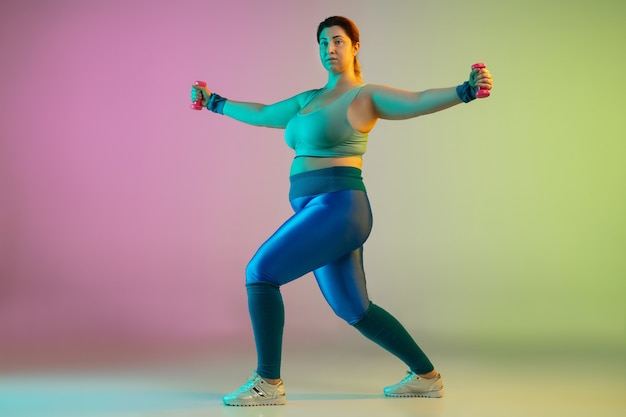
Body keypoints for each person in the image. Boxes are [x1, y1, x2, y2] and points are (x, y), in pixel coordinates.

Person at [191, 16, 492, 407]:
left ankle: (268, 382)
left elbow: (416, 101)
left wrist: (465, 90)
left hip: (339, 207)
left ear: (354, 47)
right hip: (321, 212)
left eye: (337, 41)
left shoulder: (363, 97)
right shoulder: (307, 100)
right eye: (322, 43)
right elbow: (264, 113)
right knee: (354, 309)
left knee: (260, 273)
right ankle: (426, 377)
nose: (329, 49)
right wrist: (215, 102)